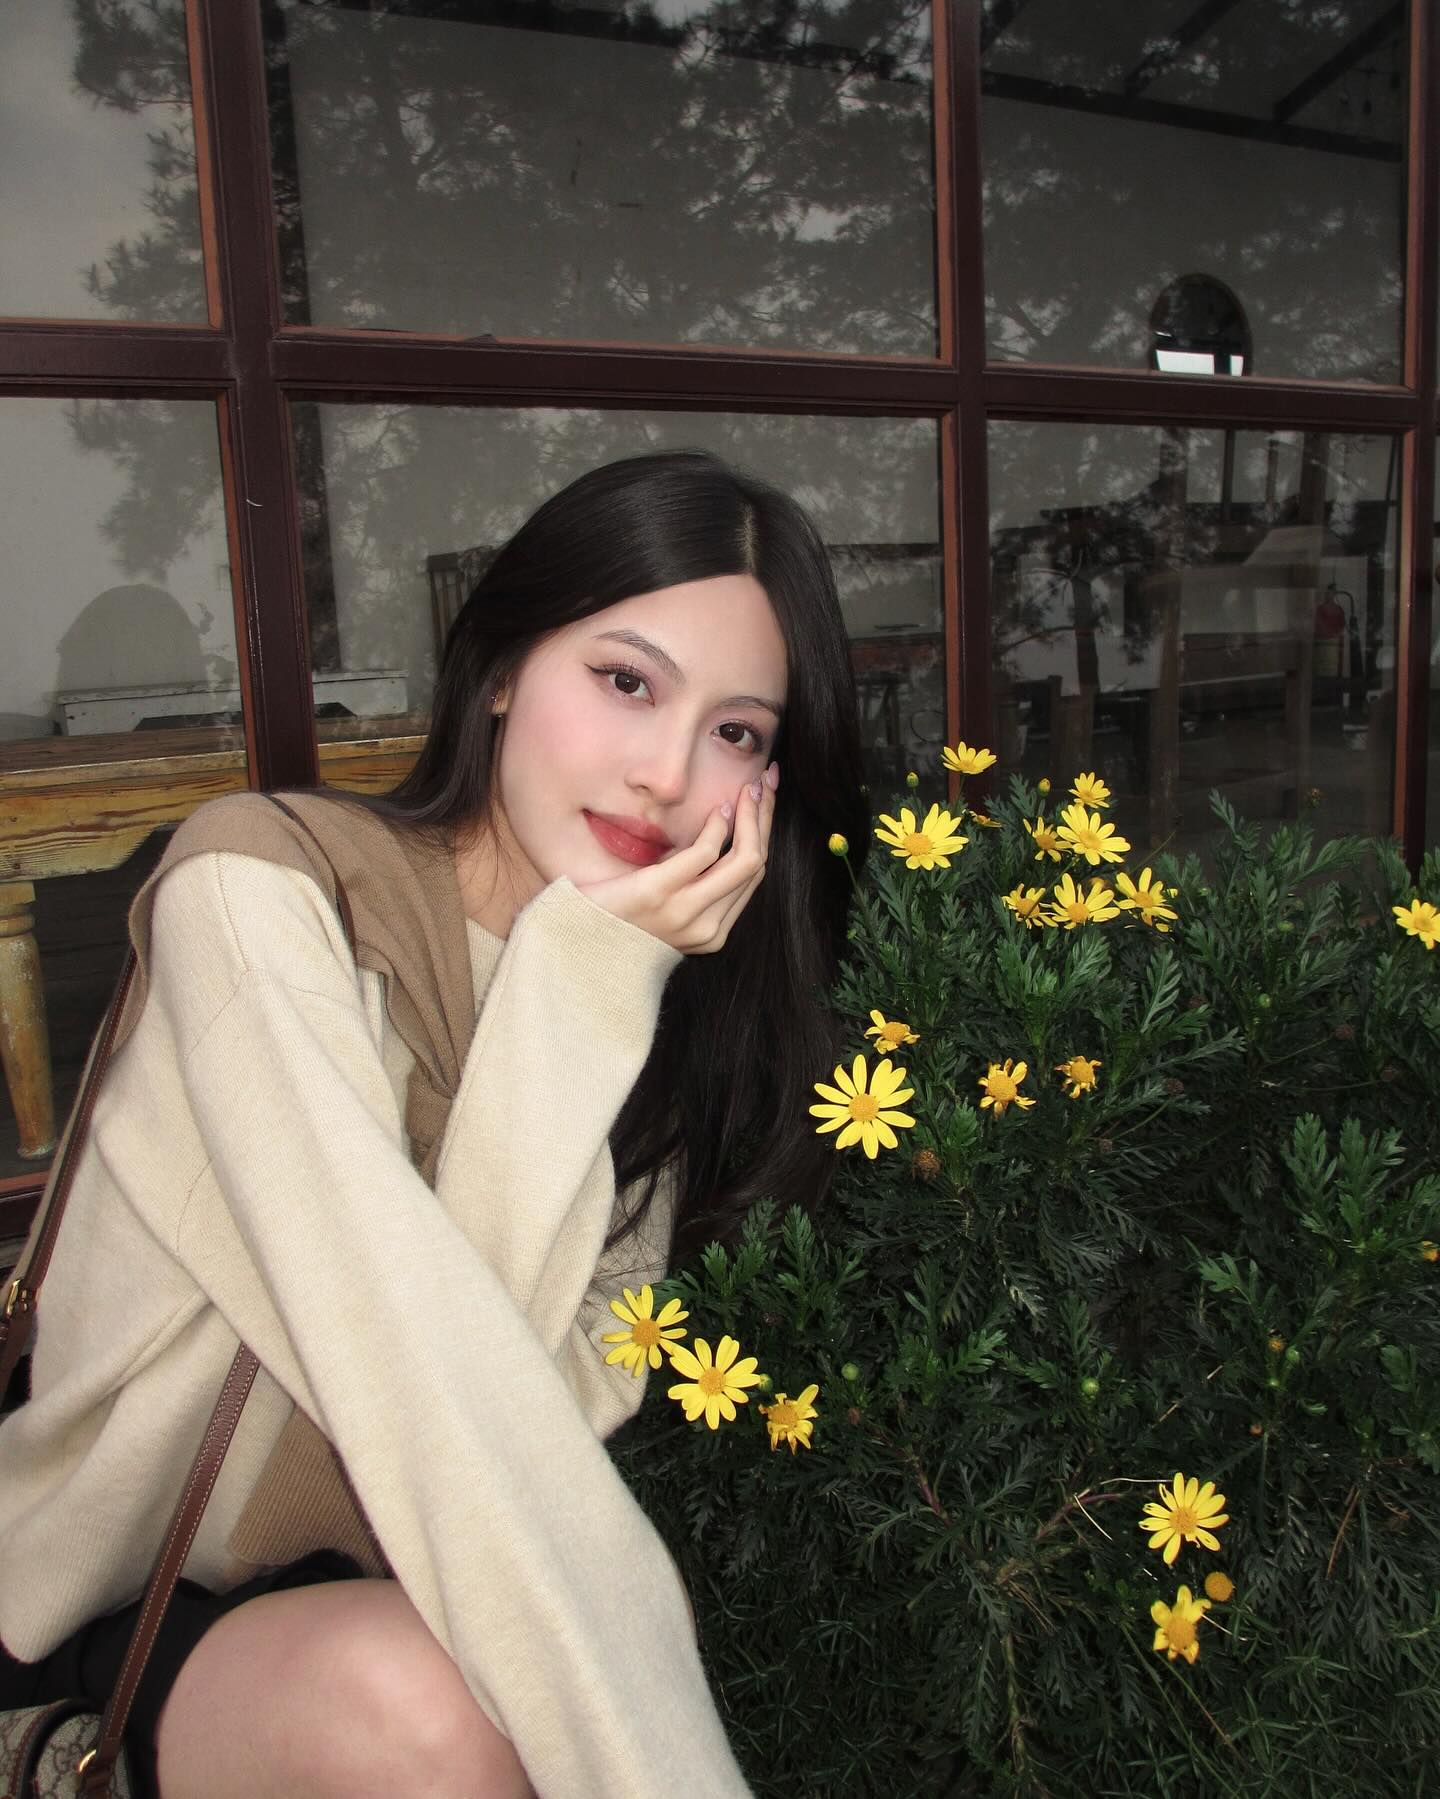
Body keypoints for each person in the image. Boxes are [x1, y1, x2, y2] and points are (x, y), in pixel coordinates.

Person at [0, 450, 869, 1798]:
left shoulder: (643, 1008)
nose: (666, 773)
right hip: (94, 1600)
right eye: (627, 682)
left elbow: (536, 1401)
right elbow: (415, 1369)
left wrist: (592, 986)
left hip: (364, 1586)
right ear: (506, 667)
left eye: (738, 733)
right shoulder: (260, 890)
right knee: (437, 1717)